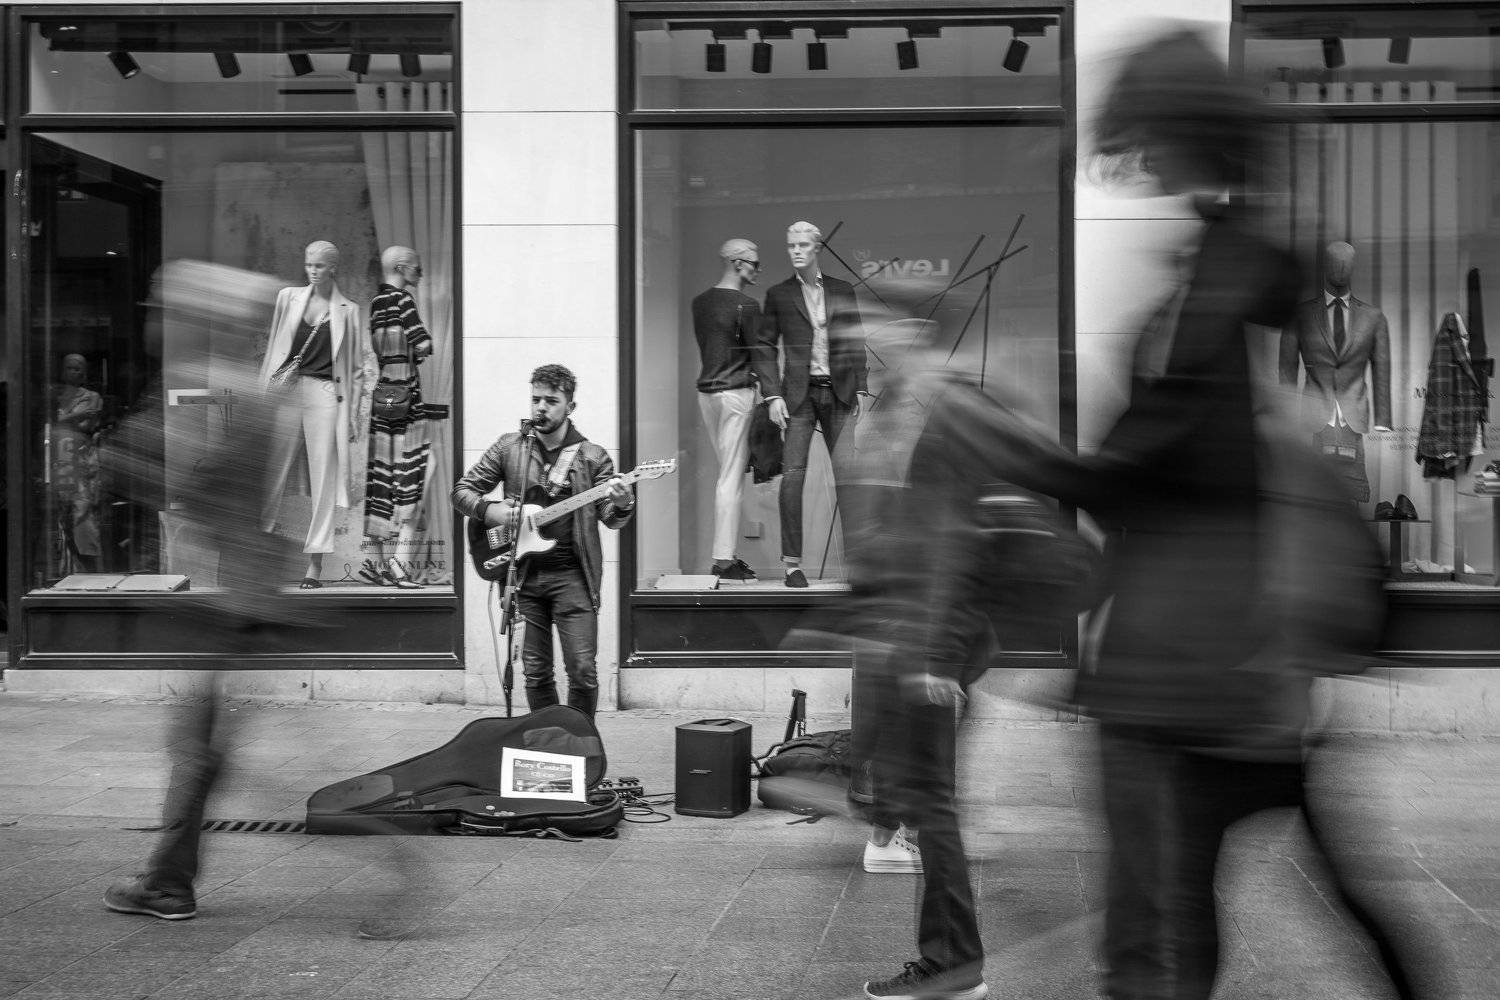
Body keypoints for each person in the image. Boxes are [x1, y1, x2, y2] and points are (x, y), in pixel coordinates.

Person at [1043, 27, 1416, 1000]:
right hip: (1195, 660)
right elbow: (1151, 479)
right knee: (1189, 915)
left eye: (1146, 136)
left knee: (1166, 928)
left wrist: (998, 440)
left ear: (1178, 128)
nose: (1137, 160)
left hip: (1198, 665)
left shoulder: (1229, 267)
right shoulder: (1218, 259)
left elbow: (1141, 470)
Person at [450, 364, 635, 718]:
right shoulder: (510, 447)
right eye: (536, 399)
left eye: (551, 401)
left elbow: (610, 516)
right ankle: (547, 743)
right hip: (523, 576)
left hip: (574, 578)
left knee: (582, 670)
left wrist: (623, 502)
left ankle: (580, 744)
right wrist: (491, 511)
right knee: (535, 672)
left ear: (570, 406)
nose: (541, 407)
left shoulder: (592, 456)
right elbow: (462, 491)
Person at [753, 220, 869, 587]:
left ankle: (858, 563)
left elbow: (854, 338)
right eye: (791, 245)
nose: (796, 251)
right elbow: (764, 346)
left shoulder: (842, 289)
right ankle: (791, 564)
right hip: (798, 397)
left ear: (817, 248)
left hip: (839, 392)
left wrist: (861, 386)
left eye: (803, 245)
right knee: (793, 478)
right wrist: (772, 395)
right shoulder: (779, 294)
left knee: (848, 479)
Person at [259, 239, 377, 589]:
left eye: (319, 265)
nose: (312, 270)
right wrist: (261, 396)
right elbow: (273, 349)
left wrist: (352, 415)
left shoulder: (348, 311)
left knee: (323, 478)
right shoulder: (288, 298)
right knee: (269, 472)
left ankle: (315, 563)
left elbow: (356, 370)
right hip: (286, 391)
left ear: (333, 268)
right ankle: (258, 549)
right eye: (309, 264)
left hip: (325, 394)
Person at [1278, 240, 1392, 501]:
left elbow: (1382, 367)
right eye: (1335, 261)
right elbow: (1287, 365)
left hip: (1354, 413)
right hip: (1315, 414)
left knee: (1353, 488)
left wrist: (1383, 419)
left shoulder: (1373, 317)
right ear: (1325, 266)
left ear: (1353, 267)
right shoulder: (1301, 315)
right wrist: (1286, 412)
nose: (1340, 267)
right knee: (1317, 487)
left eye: (1346, 262)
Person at [362, 245, 435, 589]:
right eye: (417, 268)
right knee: (414, 479)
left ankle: (377, 564)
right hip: (408, 400)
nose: (420, 273)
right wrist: (422, 347)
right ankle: (400, 564)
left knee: (381, 478)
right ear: (403, 267)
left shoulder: (376, 303)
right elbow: (422, 344)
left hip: (384, 399)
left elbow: (382, 349)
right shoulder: (403, 300)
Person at [691, 237, 762, 582]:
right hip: (736, 393)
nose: (757, 269)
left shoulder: (700, 303)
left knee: (727, 473)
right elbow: (758, 353)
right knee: (731, 477)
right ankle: (722, 560)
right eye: (754, 263)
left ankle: (726, 556)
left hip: (707, 393)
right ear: (738, 263)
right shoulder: (746, 305)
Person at [50, 353, 104, 574]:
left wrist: (66, 419)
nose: (73, 372)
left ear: (84, 373)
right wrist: (77, 415)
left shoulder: (93, 396)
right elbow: (53, 422)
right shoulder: (54, 395)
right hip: (59, 458)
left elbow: (86, 425)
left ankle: (90, 569)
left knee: (83, 512)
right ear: (62, 370)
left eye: (78, 369)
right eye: (69, 368)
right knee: (61, 511)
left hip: (81, 460)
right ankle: (65, 568)